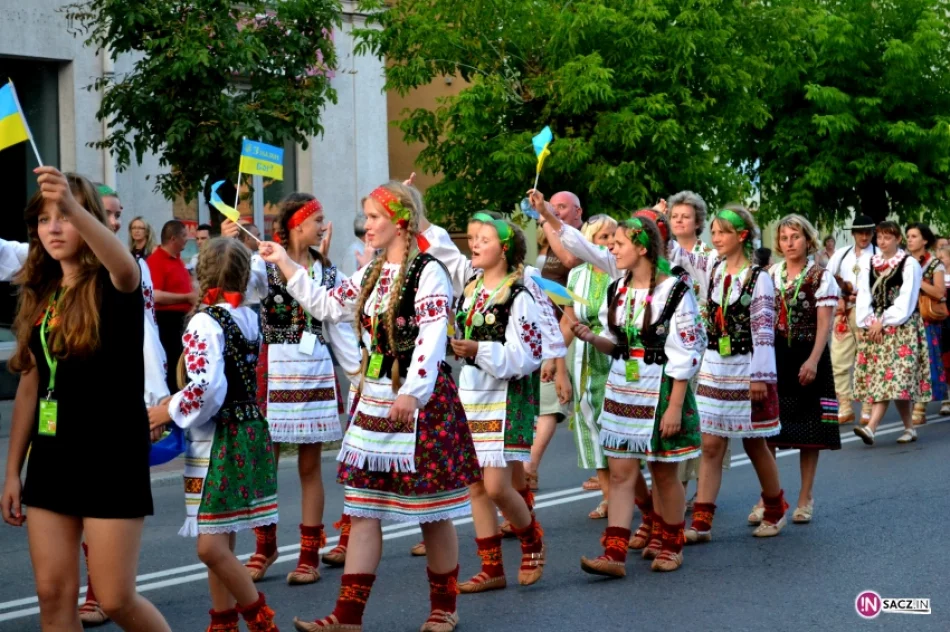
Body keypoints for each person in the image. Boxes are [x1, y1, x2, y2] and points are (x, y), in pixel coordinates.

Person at [260, 181, 480, 632]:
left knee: (430, 514)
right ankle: (347, 616)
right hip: (375, 399)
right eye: (366, 217)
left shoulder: (428, 271)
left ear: (400, 221)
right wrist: (282, 260)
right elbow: (327, 305)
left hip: (419, 404)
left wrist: (412, 392)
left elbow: (431, 337)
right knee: (362, 509)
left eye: (375, 216)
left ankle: (444, 606)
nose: (367, 225)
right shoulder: (370, 274)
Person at [1, 168, 171, 632]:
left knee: (115, 598)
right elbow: (31, 389)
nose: (53, 228)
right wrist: (13, 470)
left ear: (87, 218)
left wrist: (74, 204)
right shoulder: (44, 293)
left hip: (110, 457)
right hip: (52, 458)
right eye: (43, 219)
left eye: (65, 217)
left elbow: (123, 266)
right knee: (52, 596)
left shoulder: (117, 285)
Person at [147, 238, 279, 632]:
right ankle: (222, 622)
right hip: (249, 430)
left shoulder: (204, 322)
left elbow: (207, 389)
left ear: (200, 273)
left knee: (209, 545)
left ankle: (260, 618)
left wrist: (166, 410)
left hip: (219, 438)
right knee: (222, 534)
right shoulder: (247, 317)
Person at [574, 216, 705, 576]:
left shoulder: (676, 290)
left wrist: (675, 407)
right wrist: (590, 337)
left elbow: (687, 350)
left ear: (642, 247)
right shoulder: (616, 288)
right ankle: (614, 555)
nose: (611, 249)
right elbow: (616, 344)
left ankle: (672, 544)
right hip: (623, 387)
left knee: (664, 474)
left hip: (661, 386)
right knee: (620, 475)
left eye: (618, 243)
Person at [243, 195, 361, 586]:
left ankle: (309, 553)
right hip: (274, 372)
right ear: (296, 225)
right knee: (266, 464)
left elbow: (343, 322)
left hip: (313, 374)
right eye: (318, 221)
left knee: (310, 467)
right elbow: (239, 289)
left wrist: (356, 371)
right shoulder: (263, 265)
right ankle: (265, 547)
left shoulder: (329, 273)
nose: (323, 227)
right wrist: (240, 249)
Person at [669, 206, 787, 542]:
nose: (715, 238)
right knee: (709, 444)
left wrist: (760, 376)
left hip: (746, 366)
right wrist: (659, 223)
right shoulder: (714, 268)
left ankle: (776, 508)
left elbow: (764, 330)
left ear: (742, 236)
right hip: (714, 366)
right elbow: (678, 253)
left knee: (754, 443)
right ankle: (702, 522)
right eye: (714, 232)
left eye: (722, 233)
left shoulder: (758, 278)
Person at [451, 218, 545, 593]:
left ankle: (532, 540)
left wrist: (478, 349)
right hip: (472, 393)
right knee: (475, 485)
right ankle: (492, 568)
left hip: (506, 396)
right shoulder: (471, 288)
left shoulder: (520, 295)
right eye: (472, 238)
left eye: (483, 239)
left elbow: (527, 356)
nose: (474, 244)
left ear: (504, 248)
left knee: (495, 487)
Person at [758, 215, 841, 525]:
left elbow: (824, 324)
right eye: (784, 238)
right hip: (776, 356)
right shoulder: (769, 274)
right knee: (769, 430)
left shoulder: (821, 277)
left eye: (795, 237)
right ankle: (771, 496)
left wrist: (814, 360)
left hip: (808, 354)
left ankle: (806, 496)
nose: (789, 243)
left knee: (809, 430)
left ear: (808, 240)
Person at [561, 214, 617, 518]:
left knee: (618, 424)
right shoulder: (576, 275)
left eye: (613, 237)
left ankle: (633, 496)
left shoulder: (620, 271)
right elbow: (568, 321)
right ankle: (609, 497)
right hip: (584, 358)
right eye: (602, 238)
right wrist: (556, 365)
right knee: (591, 424)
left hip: (615, 355)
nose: (609, 243)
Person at [852, 222, 929, 445]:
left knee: (894, 380)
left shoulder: (910, 264)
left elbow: (907, 300)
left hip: (902, 327)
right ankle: (909, 428)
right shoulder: (869, 263)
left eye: (888, 237)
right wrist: (870, 322)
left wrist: (884, 321)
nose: (882, 242)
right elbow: (864, 295)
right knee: (891, 382)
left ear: (898, 239)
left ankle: (871, 428)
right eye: (880, 237)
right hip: (877, 328)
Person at [530, 191, 585, 490]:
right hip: (550, 331)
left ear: (578, 212)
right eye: (554, 207)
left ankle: (530, 469)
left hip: (572, 330)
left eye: (562, 207)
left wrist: (557, 356)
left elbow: (569, 260)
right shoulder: (550, 238)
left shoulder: (575, 240)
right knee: (548, 403)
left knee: (551, 403)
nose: (557, 212)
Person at [826, 216, 878, 424]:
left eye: (868, 232)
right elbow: (827, 280)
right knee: (838, 361)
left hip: (869, 314)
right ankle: (845, 405)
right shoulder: (841, 255)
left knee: (868, 361)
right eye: (860, 232)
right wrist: (838, 298)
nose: (864, 236)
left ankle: (867, 406)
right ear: (853, 234)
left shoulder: (878, 255)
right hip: (845, 312)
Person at [148, 220, 198, 393]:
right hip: (167, 322)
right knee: (173, 364)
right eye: (184, 236)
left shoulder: (178, 260)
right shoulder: (156, 261)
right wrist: (187, 297)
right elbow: (154, 295)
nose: (187, 239)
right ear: (173, 238)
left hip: (181, 320)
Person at [905, 223, 947, 425]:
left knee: (926, 361)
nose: (909, 239)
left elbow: (939, 293)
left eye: (914, 236)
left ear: (925, 240)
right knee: (908, 364)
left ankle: (920, 407)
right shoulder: (902, 262)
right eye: (908, 236)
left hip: (926, 319)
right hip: (904, 319)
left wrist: (917, 280)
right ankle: (912, 404)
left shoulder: (934, 265)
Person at [939, 244, 950, 416]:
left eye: (942, 258)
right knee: (944, 362)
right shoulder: (938, 276)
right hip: (942, 321)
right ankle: (946, 398)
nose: (939, 261)